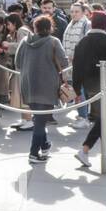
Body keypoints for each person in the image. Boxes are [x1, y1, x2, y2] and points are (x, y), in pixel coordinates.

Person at [71, 11, 106, 167]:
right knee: (104, 118)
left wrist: (77, 90)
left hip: (89, 87)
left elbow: (76, 67)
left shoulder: (82, 42)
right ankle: (87, 150)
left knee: (103, 119)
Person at [15, 14, 68, 163]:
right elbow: (64, 63)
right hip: (47, 85)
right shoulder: (54, 41)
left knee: (38, 119)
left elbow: (17, 62)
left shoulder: (25, 41)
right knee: (40, 121)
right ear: (50, 27)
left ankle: (45, 146)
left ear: (35, 27)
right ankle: (33, 153)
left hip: (28, 84)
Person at [62, 2, 91, 122]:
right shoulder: (71, 24)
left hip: (82, 63)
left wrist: (78, 57)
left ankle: (83, 117)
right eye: (72, 11)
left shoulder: (86, 24)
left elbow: (88, 44)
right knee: (78, 89)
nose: (73, 14)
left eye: (77, 11)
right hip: (71, 63)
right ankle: (82, 114)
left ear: (83, 12)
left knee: (80, 90)